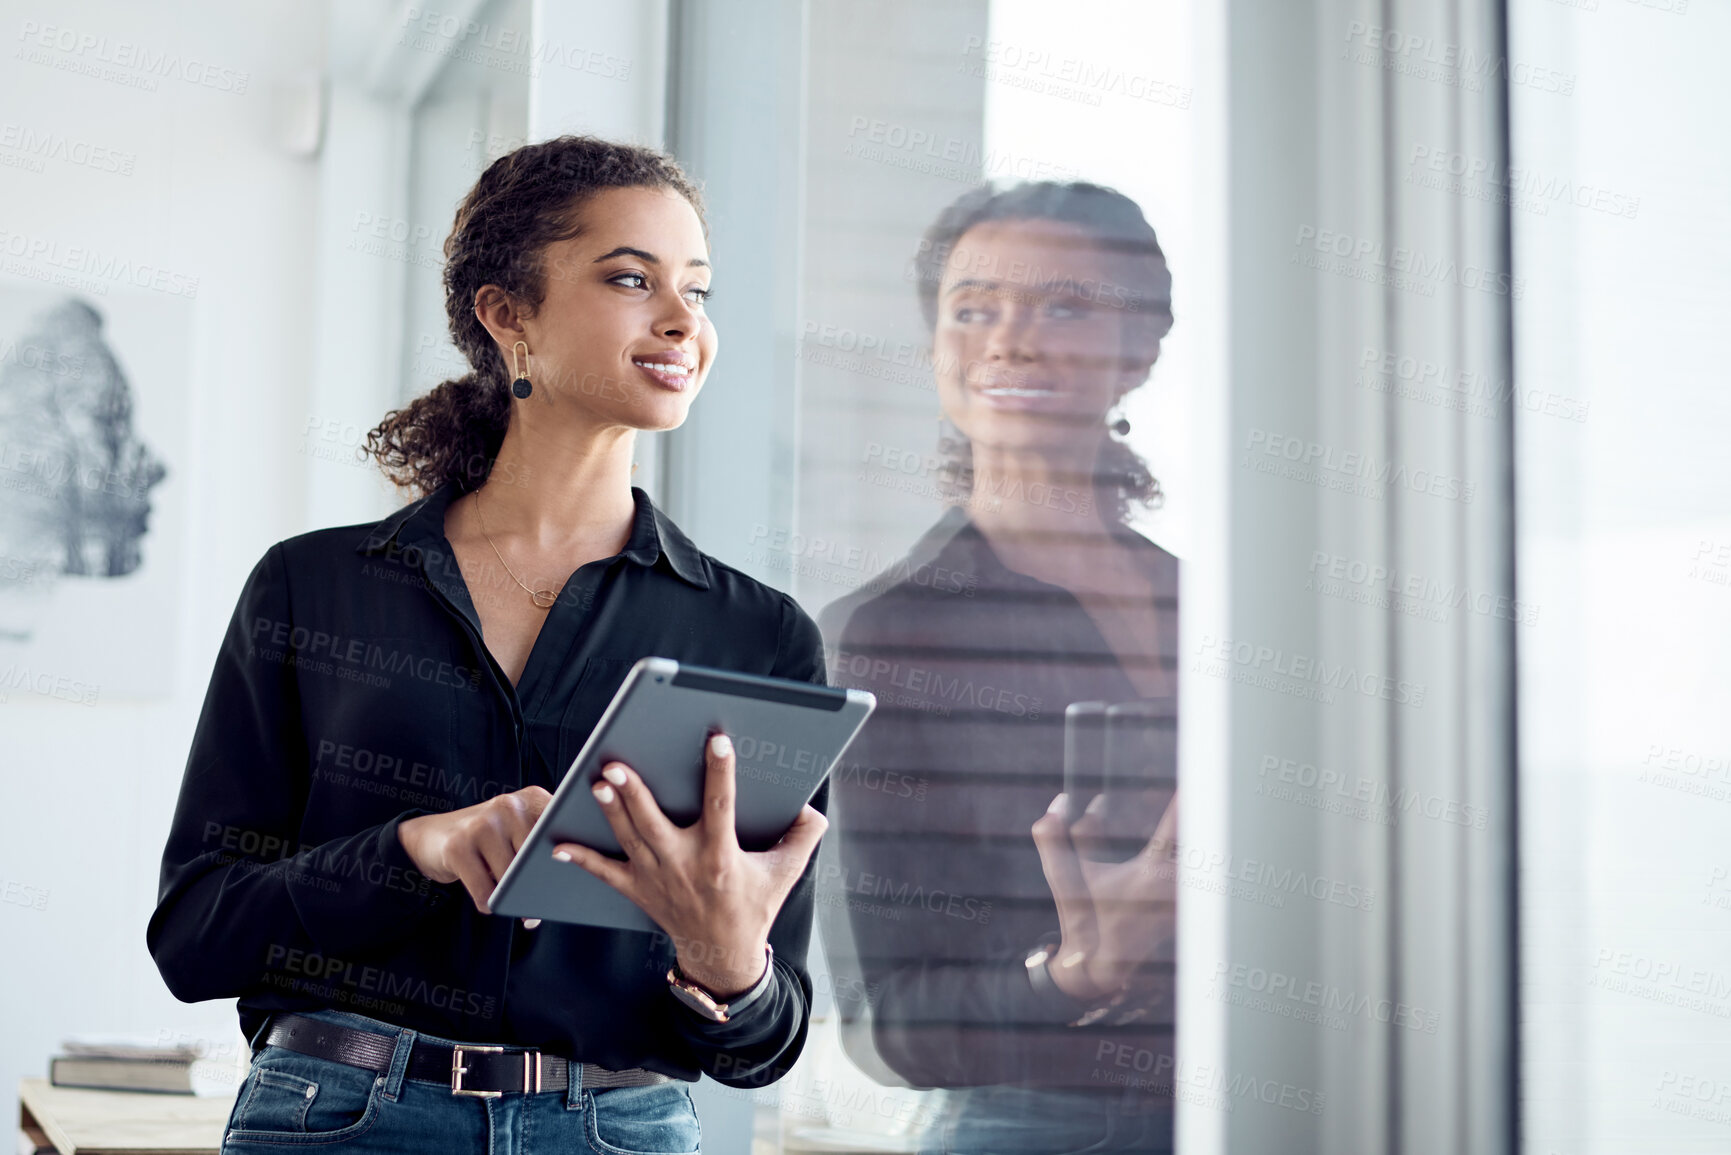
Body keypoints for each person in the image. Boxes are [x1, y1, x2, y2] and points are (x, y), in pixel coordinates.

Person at [147, 135, 830, 1155]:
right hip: (339, 1118)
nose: (684, 320)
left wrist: (730, 966)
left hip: (622, 1130)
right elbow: (197, 937)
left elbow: (762, 1046)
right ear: (508, 316)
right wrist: (408, 851)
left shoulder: (758, 634)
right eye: (631, 279)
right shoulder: (314, 587)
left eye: (699, 287)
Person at [817, 180, 1181, 1154]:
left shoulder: (1212, 612)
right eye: (972, 309)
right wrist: (1078, 971)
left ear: (1139, 352)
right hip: (1027, 1123)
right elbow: (885, 1024)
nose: (1010, 341)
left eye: (1064, 305)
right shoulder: (889, 637)